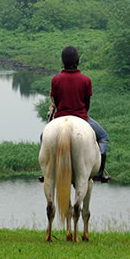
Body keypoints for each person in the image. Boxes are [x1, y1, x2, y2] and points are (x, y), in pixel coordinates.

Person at [40, 46, 110, 183]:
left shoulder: (56, 80)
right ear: (77, 60)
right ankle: (100, 171)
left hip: (60, 117)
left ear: (63, 61)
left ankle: (46, 170)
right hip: (81, 117)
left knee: (43, 136)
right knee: (104, 137)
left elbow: (57, 102)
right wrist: (81, 113)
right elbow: (87, 103)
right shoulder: (86, 80)